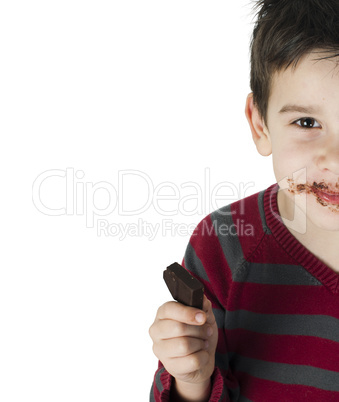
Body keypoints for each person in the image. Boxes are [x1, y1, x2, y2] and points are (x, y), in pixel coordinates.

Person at [149, 0, 339, 400]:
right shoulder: (226, 243)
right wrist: (192, 379)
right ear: (260, 124)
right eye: (307, 123)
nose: (335, 159)